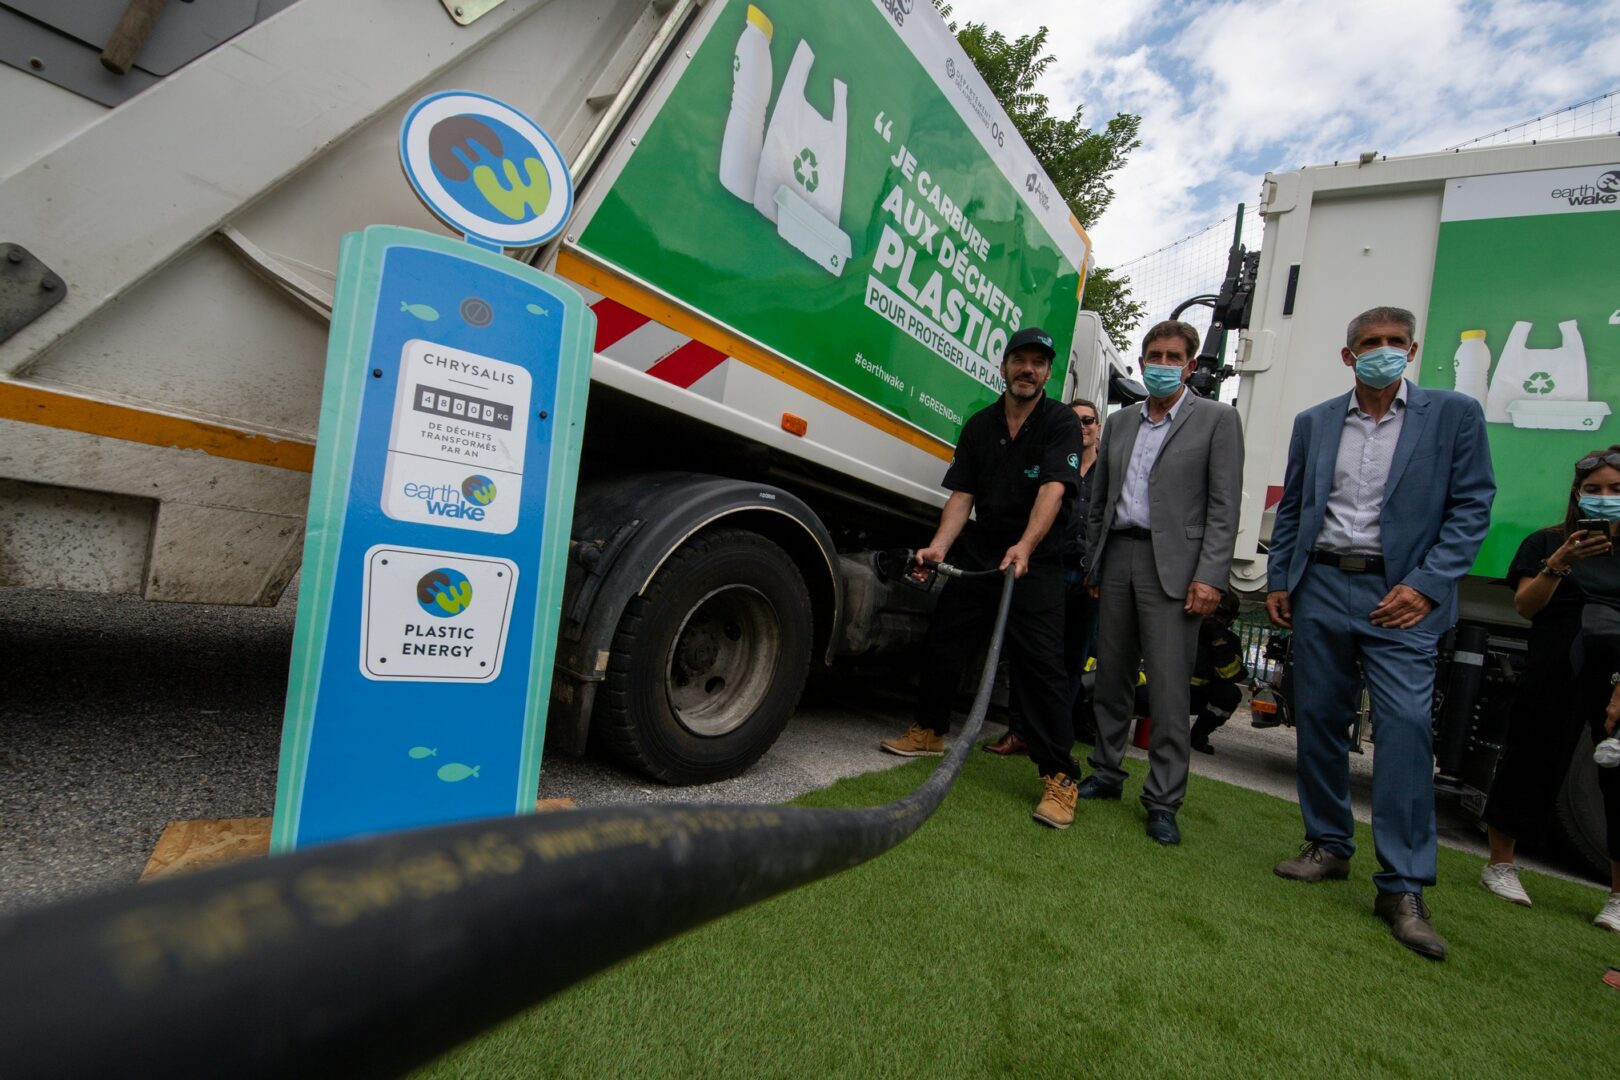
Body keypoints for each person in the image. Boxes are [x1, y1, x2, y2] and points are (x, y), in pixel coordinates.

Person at [1266, 306, 1494, 961]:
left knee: (1403, 730)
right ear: (1349, 355)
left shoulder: (1453, 415)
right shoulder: (1314, 423)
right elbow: (1297, 508)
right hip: (1320, 586)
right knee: (1316, 718)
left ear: (1414, 349)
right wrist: (1281, 577)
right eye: (1371, 343)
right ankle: (1328, 845)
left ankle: (1402, 887)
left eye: (1396, 342)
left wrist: (1426, 584)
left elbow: (1472, 506)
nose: (1384, 352)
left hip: (1404, 597)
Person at [881, 327, 1085, 829]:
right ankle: (929, 730)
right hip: (982, 551)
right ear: (1004, 366)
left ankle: (1060, 776)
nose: (1028, 369)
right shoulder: (979, 424)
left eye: (1039, 362)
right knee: (946, 638)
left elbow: (1054, 489)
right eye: (1020, 359)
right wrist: (940, 547)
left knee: (1041, 667)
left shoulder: (1060, 422)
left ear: (1048, 373)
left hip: (1034, 561)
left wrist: (1026, 546)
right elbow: (962, 495)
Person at [1080, 320, 1244, 846]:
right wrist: (1094, 563)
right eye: (1154, 354)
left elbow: (1224, 507)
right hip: (1119, 556)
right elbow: (1100, 501)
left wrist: (1211, 576)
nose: (1162, 364)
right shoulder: (1122, 422)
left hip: (1174, 568)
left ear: (1191, 365)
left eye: (1173, 356)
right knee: (1111, 678)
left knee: (1171, 690)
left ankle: (1163, 800)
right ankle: (1106, 771)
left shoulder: (1218, 420)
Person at [1477, 448, 1620, 933]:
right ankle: (1500, 865)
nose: (1604, 498)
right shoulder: (1545, 543)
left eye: (1616, 490)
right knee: (1530, 759)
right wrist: (1558, 564)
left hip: (1616, 679)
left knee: (1617, 780)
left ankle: (1617, 899)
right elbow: (1526, 607)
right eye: (1595, 489)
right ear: (1577, 494)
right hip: (1553, 669)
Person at [985, 397, 1103, 756]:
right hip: (1046, 569)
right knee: (1030, 655)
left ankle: (1053, 738)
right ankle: (1018, 732)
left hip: (1086, 580)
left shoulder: (1110, 472)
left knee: (1069, 663)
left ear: (1098, 428)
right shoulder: (1049, 463)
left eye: (1089, 420)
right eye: (1075, 420)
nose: (1081, 426)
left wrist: (1099, 572)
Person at [1188, 590, 1247, 755]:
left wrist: (1219, 642)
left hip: (1198, 697)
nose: (1213, 620)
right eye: (1211, 613)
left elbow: (1230, 675)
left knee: (1230, 694)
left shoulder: (1230, 641)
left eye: (1219, 616)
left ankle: (1198, 735)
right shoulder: (1184, 629)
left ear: (1229, 619)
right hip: (1168, 691)